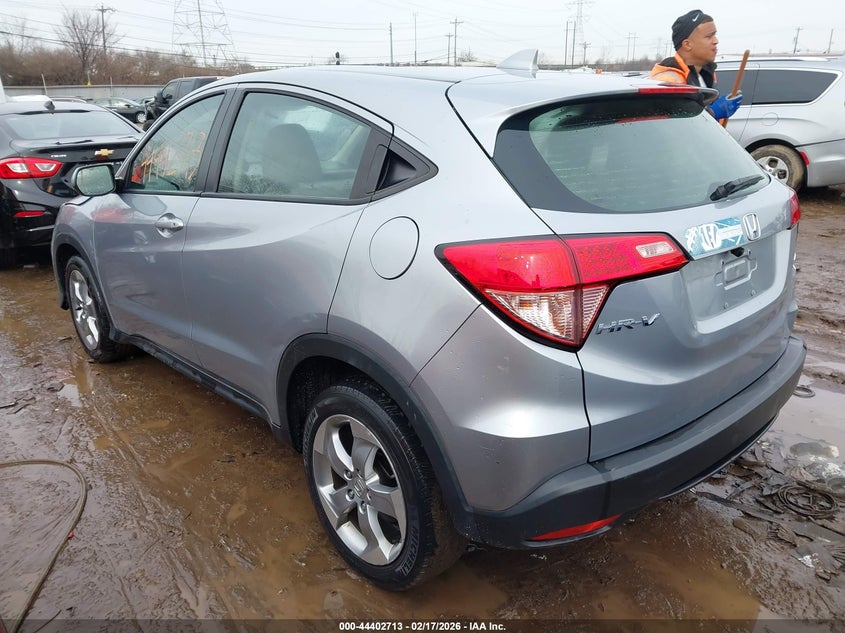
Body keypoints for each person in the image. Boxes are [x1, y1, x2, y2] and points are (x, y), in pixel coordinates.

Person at [650, 9, 742, 122]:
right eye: (709, 36)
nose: (716, 41)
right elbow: (674, 126)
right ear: (687, 44)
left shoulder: (707, 74)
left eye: (715, 35)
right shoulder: (667, 81)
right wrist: (713, 112)